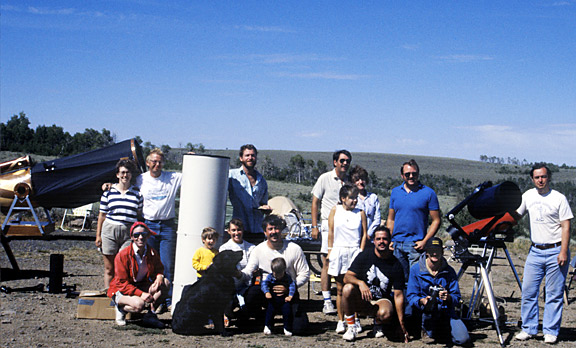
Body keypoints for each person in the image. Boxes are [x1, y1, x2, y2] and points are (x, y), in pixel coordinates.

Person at [514, 163, 572, 344]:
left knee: (554, 293)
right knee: (529, 291)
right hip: (535, 251)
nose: (540, 180)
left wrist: (563, 251)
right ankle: (529, 328)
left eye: (543, 177)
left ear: (549, 178)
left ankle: (550, 330)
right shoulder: (528, 196)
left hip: (556, 250)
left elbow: (566, 226)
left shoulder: (559, 198)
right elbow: (516, 216)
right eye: (537, 177)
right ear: (532, 179)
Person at [241, 215, 310, 333]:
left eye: (276, 228)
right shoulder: (258, 250)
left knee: (300, 328)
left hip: (288, 291)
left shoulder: (294, 248)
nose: (274, 232)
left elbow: (305, 273)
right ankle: (263, 318)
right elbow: (248, 271)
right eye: (270, 229)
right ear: (265, 232)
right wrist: (237, 275)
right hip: (267, 291)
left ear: (281, 230)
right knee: (251, 295)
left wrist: (289, 287)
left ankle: (288, 319)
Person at [340, 225, 408, 342]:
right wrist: (360, 283)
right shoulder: (365, 255)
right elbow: (347, 277)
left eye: (385, 239)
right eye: (378, 239)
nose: (382, 242)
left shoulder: (396, 264)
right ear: (374, 241)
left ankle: (378, 323)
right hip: (362, 299)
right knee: (347, 288)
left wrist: (402, 325)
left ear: (390, 241)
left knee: (385, 313)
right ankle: (351, 327)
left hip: (381, 300)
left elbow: (398, 295)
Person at [136, 148, 184, 306]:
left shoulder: (172, 177)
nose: (157, 164)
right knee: (150, 264)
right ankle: (152, 298)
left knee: (166, 264)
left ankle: (168, 299)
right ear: (148, 163)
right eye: (154, 161)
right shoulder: (140, 179)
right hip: (148, 226)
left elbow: (193, 172)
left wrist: (193, 157)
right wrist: (109, 185)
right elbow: (124, 182)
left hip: (167, 226)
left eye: (160, 161)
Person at [406, 237, 470, 345]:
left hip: (445, 310)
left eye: (438, 251)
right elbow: (411, 295)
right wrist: (421, 300)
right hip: (423, 310)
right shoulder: (416, 269)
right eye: (431, 251)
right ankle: (424, 329)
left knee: (463, 339)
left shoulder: (449, 271)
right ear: (427, 252)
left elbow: (457, 296)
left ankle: (441, 330)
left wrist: (448, 297)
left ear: (442, 252)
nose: (435, 254)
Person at [386, 159, 441, 284]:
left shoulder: (428, 193)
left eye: (414, 174)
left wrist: (425, 241)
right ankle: (402, 304)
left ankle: (416, 303)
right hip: (397, 244)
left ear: (418, 174)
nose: (411, 176)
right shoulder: (395, 192)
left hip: (416, 245)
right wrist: (390, 239)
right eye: (407, 174)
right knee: (399, 281)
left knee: (417, 280)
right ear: (402, 175)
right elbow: (391, 218)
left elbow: (436, 220)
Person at [311, 149, 352, 315]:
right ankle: (327, 301)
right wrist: (314, 226)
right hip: (328, 226)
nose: (344, 164)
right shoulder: (325, 178)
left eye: (347, 161)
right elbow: (315, 202)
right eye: (341, 160)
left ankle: (345, 299)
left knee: (346, 263)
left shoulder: (350, 181)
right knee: (327, 263)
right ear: (335, 162)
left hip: (346, 227)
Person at [107, 222, 170, 328]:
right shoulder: (123, 255)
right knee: (139, 305)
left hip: (140, 284)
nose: (140, 237)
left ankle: (151, 314)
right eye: (136, 235)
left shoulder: (151, 252)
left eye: (144, 235)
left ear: (148, 236)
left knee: (165, 284)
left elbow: (159, 268)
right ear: (132, 237)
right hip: (121, 289)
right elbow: (121, 283)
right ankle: (121, 308)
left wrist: (159, 276)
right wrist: (141, 294)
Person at [95, 159, 143, 289]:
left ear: (131, 175)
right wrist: (98, 236)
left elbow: (139, 216)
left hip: (128, 233)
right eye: (122, 172)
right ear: (117, 175)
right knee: (109, 267)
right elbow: (102, 215)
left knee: (123, 266)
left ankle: (122, 294)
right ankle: (108, 293)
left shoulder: (137, 194)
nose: (125, 175)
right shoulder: (108, 192)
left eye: (127, 172)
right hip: (109, 230)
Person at [327, 184, 367, 334]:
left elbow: (364, 234)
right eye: (351, 198)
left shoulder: (360, 213)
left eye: (356, 198)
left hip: (355, 252)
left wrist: (361, 251)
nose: (354, 201)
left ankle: (355, 319)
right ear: (343, 198)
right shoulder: (335, 210)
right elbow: (330, 231)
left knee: (352, 290)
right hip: (339, 251)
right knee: (339, 290)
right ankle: (341, 320)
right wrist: (330, 251)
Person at [228, 144, 271, 243]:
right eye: (247, 155)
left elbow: (263, 203)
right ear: (241, 158)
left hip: (257, 230)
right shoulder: (232, 176)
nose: (250, 158)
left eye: (253, 155)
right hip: (240, 230)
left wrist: (266, 209)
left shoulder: (261, 180)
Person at [261, 257, 296, 336]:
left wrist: (290, 295)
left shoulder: (288, 277)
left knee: (287, 312)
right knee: (269, 312)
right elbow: (264, 284)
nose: (277, 275)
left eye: (279, 273)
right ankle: (267, 326)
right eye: (275, 273)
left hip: (284, 299)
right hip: (273, 299)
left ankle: (286, 327)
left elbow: (292, 286)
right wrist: (266, 292)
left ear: (284, 270)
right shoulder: (270, 277)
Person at [349, 165, 381, 241]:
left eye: (363, 179)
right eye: (357, 180)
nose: (361, 182)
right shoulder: (351, 199)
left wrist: (369, 233)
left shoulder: (373, 197)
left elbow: (377, 218)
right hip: (354, 238)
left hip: (370, 238)